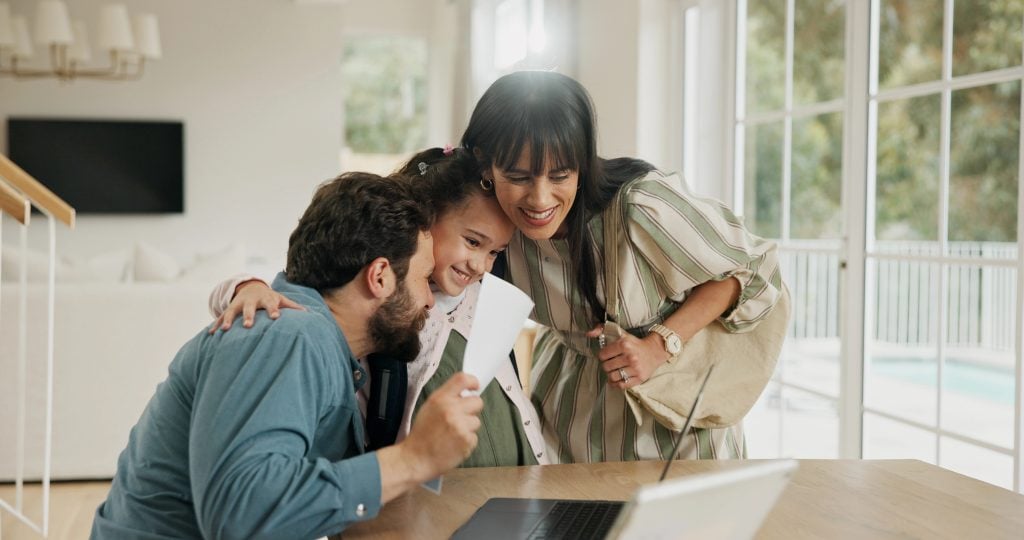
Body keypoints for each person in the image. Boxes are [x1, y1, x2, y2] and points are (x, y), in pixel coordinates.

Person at [91, 172, 484, 539]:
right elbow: (237, 514)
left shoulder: (314, 339)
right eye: (423, 279)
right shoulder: (291, 335)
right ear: (380, 276)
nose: (431, 302)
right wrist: (413, 459)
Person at [460, 71, 784, 463]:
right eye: (518, 177)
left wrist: (659, 344)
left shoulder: (641, 207)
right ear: (485, 164)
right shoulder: (492, 229)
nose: (540, 198)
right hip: (566, 423)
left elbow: (748, 270)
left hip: (678, 431)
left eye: (561, 175)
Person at [209, 147, 548, 467]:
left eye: (494, 252)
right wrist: (247, 286)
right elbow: (302, 288)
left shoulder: (484, 294)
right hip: (423, 486)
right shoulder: (382, 299)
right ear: (424, 220)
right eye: (473, 242)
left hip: (518, 474)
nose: (481, 265)